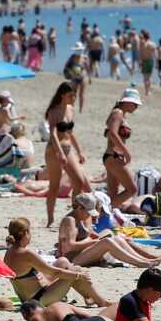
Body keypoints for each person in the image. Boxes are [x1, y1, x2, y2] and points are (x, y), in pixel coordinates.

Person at [3, 216, 108, 307]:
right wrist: (79, 275)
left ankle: (89, 297)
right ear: (25, 233)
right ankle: (101, 301)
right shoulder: (25, 253)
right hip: (37, 300)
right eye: (30, 231)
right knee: (74, 273)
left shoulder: (10, 251)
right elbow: (54, 272)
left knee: (63, 261)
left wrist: (75, 274)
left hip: (31, 295)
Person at [58, 192, 161, 267]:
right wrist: (95, 242)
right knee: (107, 242)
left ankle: (146, 259)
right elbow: (69, 247)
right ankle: (141, 263)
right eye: (88, 212)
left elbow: (91, 234)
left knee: (116, 238)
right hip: (72, 258)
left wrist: (102, 237)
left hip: (83, 252)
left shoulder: (84, 217)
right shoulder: (70, 220)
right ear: (79, 208)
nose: (90, 215)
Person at [44, 82, 88, 228]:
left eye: (74, 95)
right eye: (70, 95)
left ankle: (75, 215)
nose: (73, 97)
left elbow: (70, 133)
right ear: (62, 95)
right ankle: (50, 219)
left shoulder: (70, 109)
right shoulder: (53, 111)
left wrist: (80, 151)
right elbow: (53, 134)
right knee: (54, 186)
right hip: (54, 150)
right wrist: (59, 152)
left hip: (68, 149)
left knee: (79, 182)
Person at [102, 89, 141, 209]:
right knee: (132, 189)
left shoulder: (120, 114)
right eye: (134, 104)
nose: (136, 107)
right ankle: (104, 211)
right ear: (126, 102)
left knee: (113, 193)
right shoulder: (118, 113)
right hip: (113, 156)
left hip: (113, 157)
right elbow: (113, 134)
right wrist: (126, 152)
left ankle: (105, 217)